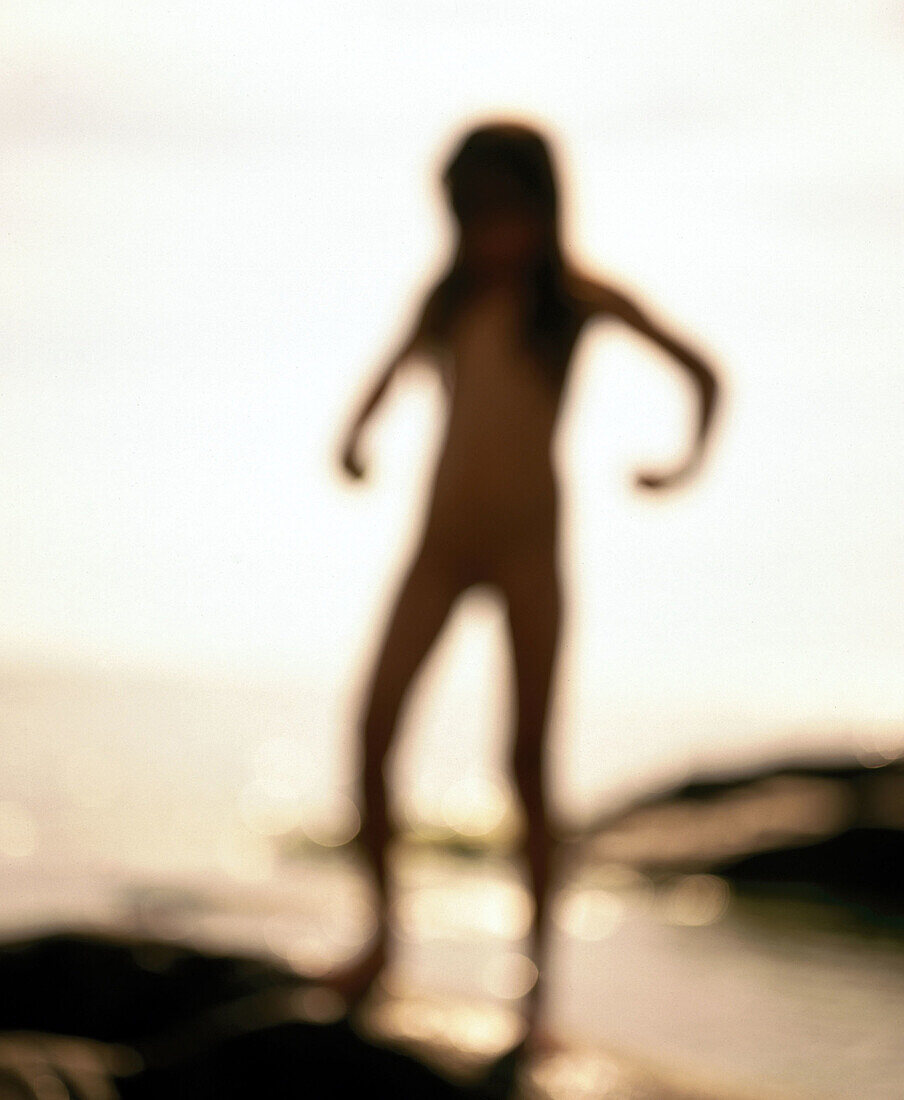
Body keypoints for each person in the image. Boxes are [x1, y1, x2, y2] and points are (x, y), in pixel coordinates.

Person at [332, 119, 720, 1042]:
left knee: (527, 765)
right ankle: (381, 941)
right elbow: (376, 390)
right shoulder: (444, 301)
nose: (493, 232)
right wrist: (353, 442)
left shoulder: (576, 299)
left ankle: (535, 991)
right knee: (373, 726)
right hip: (439, 546)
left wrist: (679, 466)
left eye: (507, 211)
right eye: (475, 214)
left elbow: (704, 375)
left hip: (528, 553)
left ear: (544, 208)